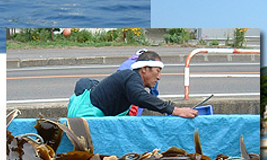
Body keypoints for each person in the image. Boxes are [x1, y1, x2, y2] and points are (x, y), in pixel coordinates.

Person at [67, 50, 197, 118]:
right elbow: (140, 97)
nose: (159, 77)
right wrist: (175, 110)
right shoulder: (131, 76)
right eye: (157, 71)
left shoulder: (129, 82)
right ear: (145, 69)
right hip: (85, 115)